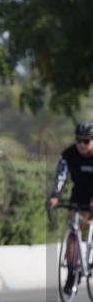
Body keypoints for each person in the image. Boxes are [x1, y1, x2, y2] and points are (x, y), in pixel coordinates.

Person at [48, 121, 93, 293]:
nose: (82, 145)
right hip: (79, 192)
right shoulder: (69, 154)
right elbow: (61, 176)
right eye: (78, 140)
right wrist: (55, 196)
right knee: (73, 229)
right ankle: (72, 272)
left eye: (86, 141)